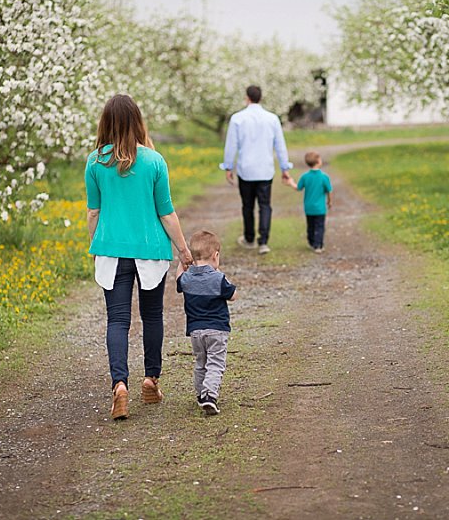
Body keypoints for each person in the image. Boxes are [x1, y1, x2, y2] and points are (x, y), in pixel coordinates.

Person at [85, 94, 193, 421]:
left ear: (105, 122)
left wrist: (99, 243)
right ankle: (151, 379)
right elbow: (167, 213)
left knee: (117, 320)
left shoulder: (95, 162)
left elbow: (93, 212)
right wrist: (184, 251)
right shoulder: (154, 161)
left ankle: (120, 385)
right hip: (150, 252)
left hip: (112, 252)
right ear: (138, 121)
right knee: (152, 316)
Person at [219, 85, 293, 255]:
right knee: (265, 205)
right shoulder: (272, 119)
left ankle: (249, 238)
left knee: (247, 205)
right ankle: (264, 241)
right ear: (261, 98)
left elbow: (231, 145)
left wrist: (228, 167)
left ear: (247, 98)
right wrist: (284, 168)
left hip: (246, 169)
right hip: (265, 170)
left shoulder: (237, 118)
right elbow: (280, 145)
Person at [176, 230, 237, 415]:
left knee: (201, 363)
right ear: (215, 255)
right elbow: (233, 295)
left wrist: (181, 263)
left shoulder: (186, 279)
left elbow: (178, 278)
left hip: (195, 332)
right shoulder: (218, 279)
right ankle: (209, 395)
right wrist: (219, 273)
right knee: (216, 364)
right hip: (217, 331)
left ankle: (201, 394)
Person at [283, 151, 333, 253]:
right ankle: (318, 245)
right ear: (318, 161)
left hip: (308, 208)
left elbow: (298, 188)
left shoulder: (305, 176)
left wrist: (290, 182)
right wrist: (329, 201)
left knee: (310, 226)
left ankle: (311, 241)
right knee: (319, 226)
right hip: (320, 208)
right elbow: (329, 191)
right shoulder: (324, 177)